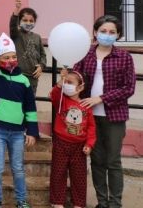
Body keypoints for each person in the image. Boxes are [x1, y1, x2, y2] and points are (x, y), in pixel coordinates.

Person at [73, 15, 135, 208]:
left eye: (112, 32)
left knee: (113, 161)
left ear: (118, 35)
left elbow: (128, 88)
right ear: (95, 32)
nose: (107, 35)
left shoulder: (124, 57)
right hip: (89, 116)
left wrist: (101, 98)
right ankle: (102, 202)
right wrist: (68, 78)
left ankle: (115, 203)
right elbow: (76, 79)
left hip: (114, 116)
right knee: (97, 160)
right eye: (103, 31)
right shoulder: (85, 54)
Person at [0, 33, 38, 208]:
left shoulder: (24, 81)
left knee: (18, 168)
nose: (11, 60)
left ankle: (21, 201)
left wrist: (32, 131)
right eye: (6, 58)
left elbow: (30, 107)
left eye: (13, 57)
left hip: (18, 133)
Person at [49, 71, 96, 208]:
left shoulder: (86, 106)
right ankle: (57, 202)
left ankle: (79, 203)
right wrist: (60, 81)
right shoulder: (61, 101)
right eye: (66, 82)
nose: (66, 85)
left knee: (79, 177)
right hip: (61, 144)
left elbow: (91, 128)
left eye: (70, 83)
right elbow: (54, 94)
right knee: (58, 173)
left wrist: (89, 144)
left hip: (79, 147)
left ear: (80, 87)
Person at [10, 0, 46, 94]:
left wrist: (41, 66)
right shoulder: (17, 35)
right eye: (25, 20)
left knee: (30, 103)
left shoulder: (37, 37)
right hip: (19, 75)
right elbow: (13, 25)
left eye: (31, 21)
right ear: (19, 21)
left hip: (33, 78)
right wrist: (17, 9)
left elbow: (43, 55)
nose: (28, 23)